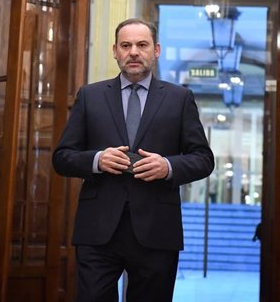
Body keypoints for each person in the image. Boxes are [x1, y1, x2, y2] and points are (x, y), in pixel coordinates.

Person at [52, 18, 215, 302]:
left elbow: (203, 159)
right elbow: (62, 158)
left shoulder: (180, 98)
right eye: (126, 46)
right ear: (115, 50)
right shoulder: (90, 96)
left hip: (156, 230)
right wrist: (97, 160)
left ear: (157, 50)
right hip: (98, 231)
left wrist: (168, 167)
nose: (134, 52)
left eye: (142, 45)